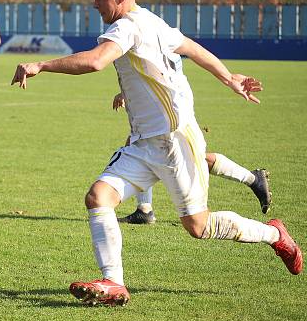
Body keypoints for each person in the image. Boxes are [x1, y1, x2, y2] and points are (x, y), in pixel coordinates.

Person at [12, 0, 302, 306]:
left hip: (174, 141)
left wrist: (40, 64)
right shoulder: (153, 21)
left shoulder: (126, 27)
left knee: (199, 227)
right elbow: (191, 48)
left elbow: (95, 61)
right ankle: (113, 282)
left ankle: (275, 234)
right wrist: (228, 78)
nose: (94, 4)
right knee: (98, 197)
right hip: (143, 143)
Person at [110, 92, 272, 224]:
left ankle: (252, 179)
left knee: (184, 158)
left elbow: (157, 74)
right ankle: (144, 209)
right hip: (165, 107)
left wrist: (127, 93)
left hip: (169, 110)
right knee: (138, 146)